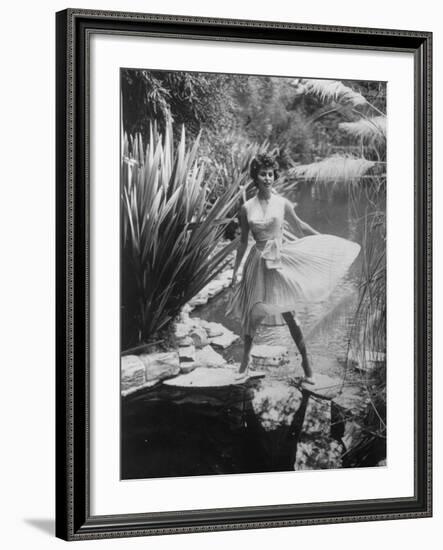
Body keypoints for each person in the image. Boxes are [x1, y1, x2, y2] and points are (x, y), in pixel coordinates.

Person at [227, 153, 360, 384]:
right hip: (257, 263)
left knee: (290, 316)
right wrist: (234, 272)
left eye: (270, 174)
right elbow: (242, 243)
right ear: (255, 177)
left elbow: (300, 226)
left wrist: (324, 240)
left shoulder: (282, 203)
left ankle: (307, 365)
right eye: (263, 174)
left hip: (279, 261)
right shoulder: (246, 208)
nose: (267, 178)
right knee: (253, 314)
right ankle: (244, 364)